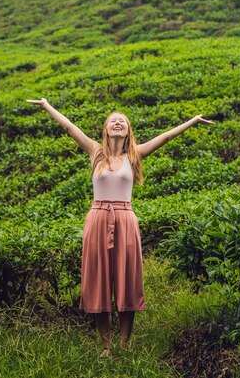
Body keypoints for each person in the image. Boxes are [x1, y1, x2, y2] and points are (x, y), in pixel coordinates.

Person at [26, 98, 214, 357]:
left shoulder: (134, 155)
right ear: (105, 129)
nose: (117, 122)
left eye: (122, 121)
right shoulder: (95, 152)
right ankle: (106, 345)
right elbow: (69, 128)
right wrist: (46, 105)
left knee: (127, 280)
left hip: (125, 219)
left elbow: (166, 137)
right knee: (99, 281)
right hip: (98, 217)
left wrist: (192, 121)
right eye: (113, 120)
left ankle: (124, 344)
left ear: (128, 130)